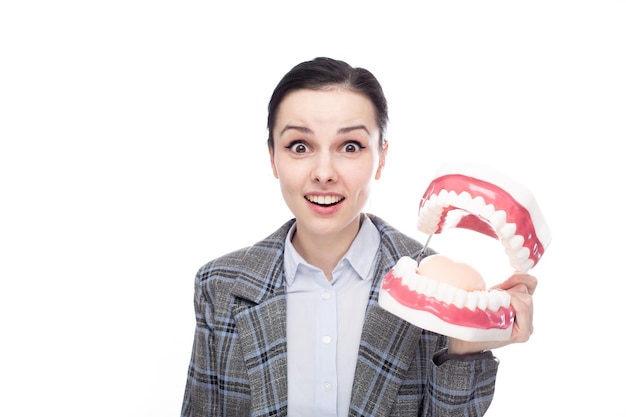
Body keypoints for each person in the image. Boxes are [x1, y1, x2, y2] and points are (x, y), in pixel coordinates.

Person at [180, 57, 537, 417]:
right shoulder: (219, 285)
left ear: (381, 157)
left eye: (350, 146)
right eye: (299, 146)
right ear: (272, 156)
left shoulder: (440, 290)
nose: (323, 173)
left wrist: (466, 347)